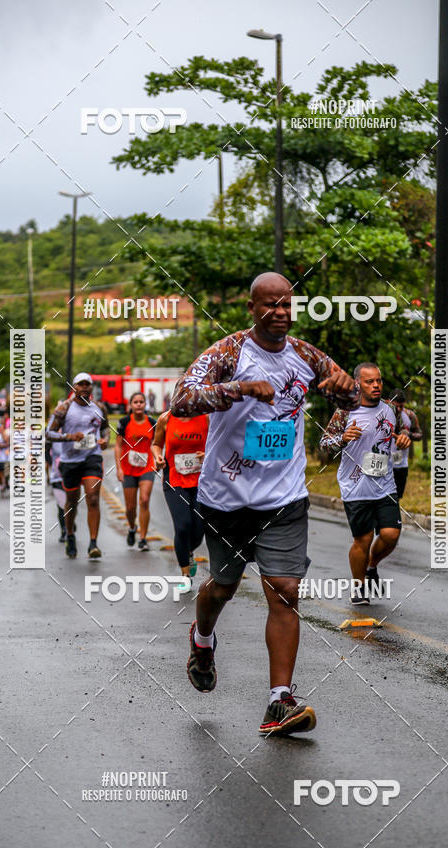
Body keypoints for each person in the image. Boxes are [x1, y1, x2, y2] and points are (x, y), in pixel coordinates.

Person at [171, 271, 357, 736]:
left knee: (284, 591)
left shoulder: (305, 355)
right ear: (252, 308)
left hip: (284, 497)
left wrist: (341, 388)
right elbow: (181, 401)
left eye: (287, 304)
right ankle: (203, 638)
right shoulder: (229, 352)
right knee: (223, 587)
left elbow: (352, 395)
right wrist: (240, 388)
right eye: (270, 304)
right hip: (226, 498)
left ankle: (280, 700)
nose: (280, 312)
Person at [320, 363, 411, 605]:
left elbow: (400, 434)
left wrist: (403, 439)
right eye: (370, 382)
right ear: (358, 384)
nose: (376, 386)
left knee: (391, 534)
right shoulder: (345, 411)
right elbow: (324, 443)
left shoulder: (391, 409)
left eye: (379, 381)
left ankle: (372, 566)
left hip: (385, 483)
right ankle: (359, 587)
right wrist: (342, 438)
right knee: (363, 539)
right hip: (355, 484)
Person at [45, 373, 109, 559]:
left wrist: (105, 440)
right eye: (81, 384)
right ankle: (70, 535)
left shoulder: (100, 408)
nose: (84, 388)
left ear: (91, 387)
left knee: (93, 498)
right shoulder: (64, 408)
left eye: (87, 385)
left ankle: (93, 543)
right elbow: (49, 433)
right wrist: (70, 437)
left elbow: (105, 428)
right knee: (72, 502)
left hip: (92, 458)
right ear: (74, 387)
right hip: (70, 461)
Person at [151, 409, 209, 579]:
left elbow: (218, 443)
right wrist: (158, 457)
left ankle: (188, 550)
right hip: (174, 479)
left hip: (201, 481)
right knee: (183, 525)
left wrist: (208, 454)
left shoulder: (206, 417)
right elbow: (156, 444)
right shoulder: (166, 419)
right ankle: (185, 574)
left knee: (199, 529)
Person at [115, 392, 157, 550]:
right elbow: (118, 446)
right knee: (130, 507)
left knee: (144, 500)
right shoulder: (124, 422)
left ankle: (143, 538)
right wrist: (119, 468)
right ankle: (132, 527)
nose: (139, 404)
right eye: (135, 402)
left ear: (145, 404)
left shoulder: (152, 422)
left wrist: (157, 459)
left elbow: (155, 444)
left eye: (141, 402)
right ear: (130, 405)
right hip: (128, 468)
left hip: (147, 467)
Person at [389, 390, 423, 499]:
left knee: (396, 497)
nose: (398, 409)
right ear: (389, 402)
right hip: (383, 460)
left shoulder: (410, 415)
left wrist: (409, 434)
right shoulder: (382, 415)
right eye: (395, 406)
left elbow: (420, 435)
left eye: (401, 406)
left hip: (400, 462)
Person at [46, 437, 67, 542]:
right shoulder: (51, 433)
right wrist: (52, 464)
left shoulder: (72, 429)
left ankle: (70, 522)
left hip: (71, 474)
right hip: (57, 476)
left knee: (71, 504)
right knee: (61, 505)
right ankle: (64, 530)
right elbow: (45, 450)